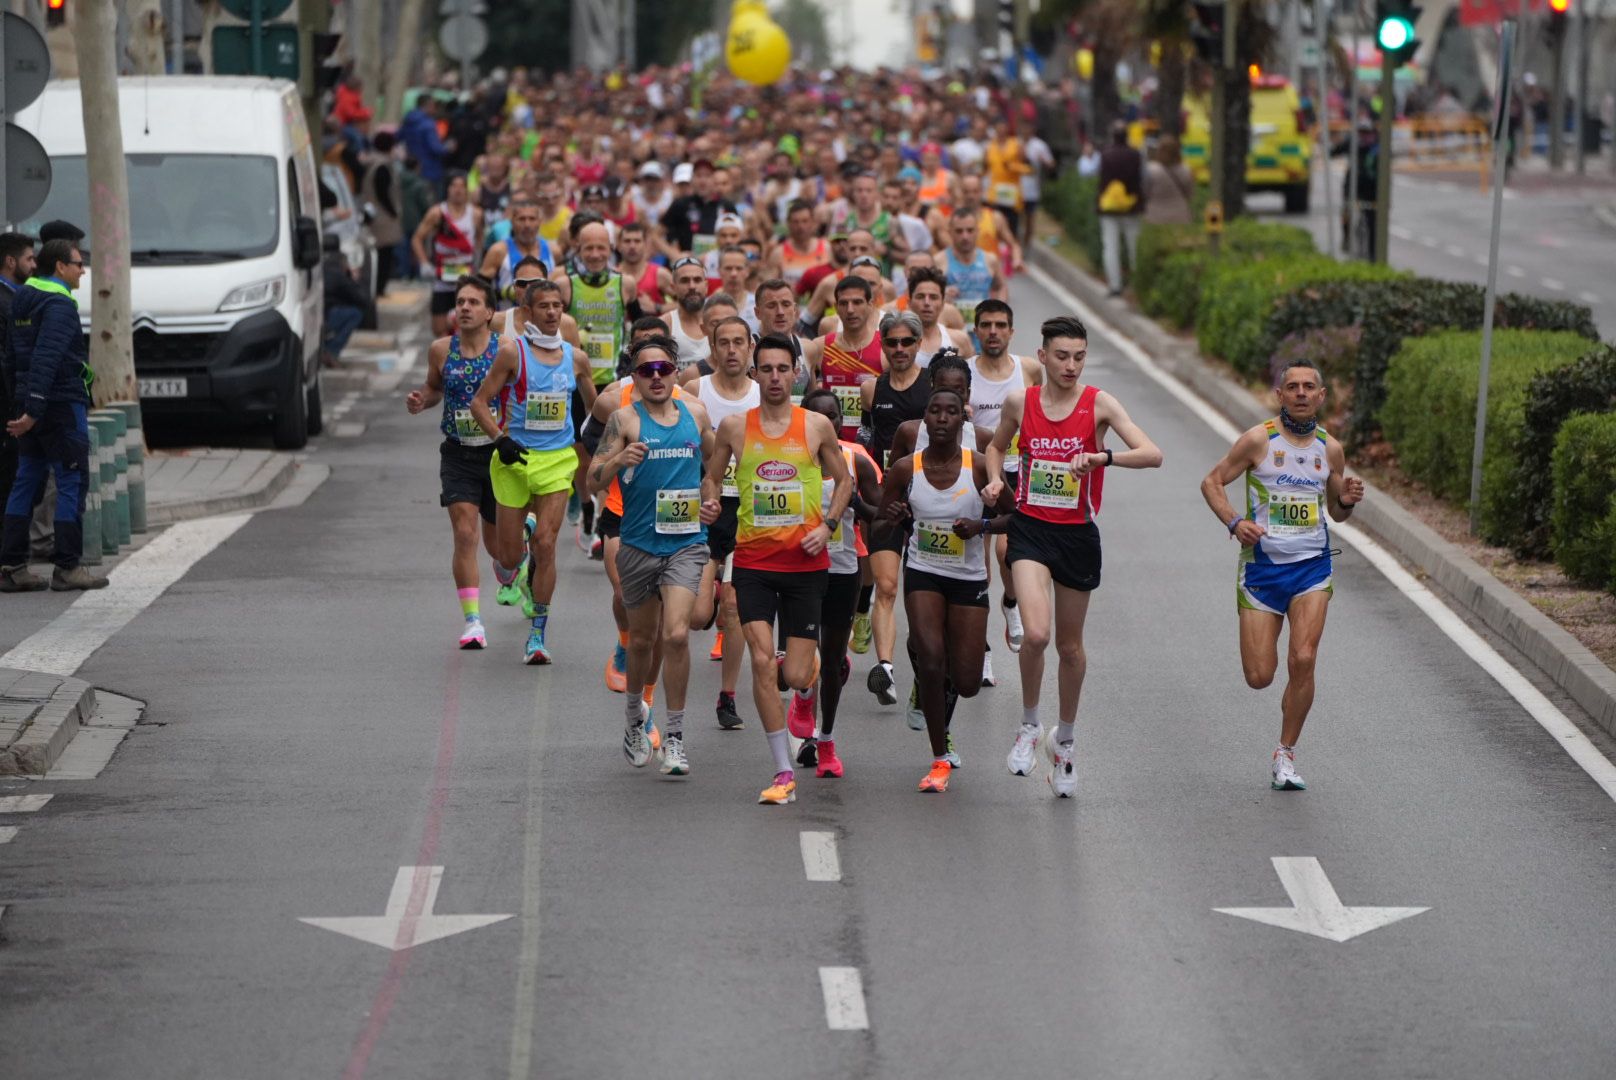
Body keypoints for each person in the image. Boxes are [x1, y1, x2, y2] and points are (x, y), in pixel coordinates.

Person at [984, 316, 1163, 797]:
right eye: (1062, 356)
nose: (1071, 365)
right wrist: (996, 478)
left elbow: (1152, 453)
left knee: (1070, 647)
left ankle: (1064, 741)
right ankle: (1028, 725)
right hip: (1030, 531)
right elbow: (995, 448)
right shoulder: (1021, 401)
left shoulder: (1098, 403)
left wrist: (1103, 458)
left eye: (1079, 356)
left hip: (1077, 535)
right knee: (1036, 634)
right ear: (1041, 356)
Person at [1198, 359, 1364, 791]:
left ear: (1322, 395)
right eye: (1293, 387)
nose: (1302, 393)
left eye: (1310, 387)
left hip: (1312, 567)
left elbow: (1336, 513)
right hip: (1262, 571)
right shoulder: (1259, 440)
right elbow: (1212, 482)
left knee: (1304, 657)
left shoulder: (1331, 449)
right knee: (1260, 677)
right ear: (1280, 394)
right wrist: (1235, 523)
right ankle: (1282, 743)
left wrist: (1346, 500)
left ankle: (1286, 753)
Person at [702, 334, 852, 805]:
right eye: (764, 369)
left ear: (795, 374)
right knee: (763, 662)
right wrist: (709, 499)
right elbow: (712, 475)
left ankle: (806, 691)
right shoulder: (733, 427)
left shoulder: (816, 427)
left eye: (781, 369)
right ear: (754, 372)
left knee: (795, 675)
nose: (773, 377)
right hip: (753, 565)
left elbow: (844, 480)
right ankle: (783, 772)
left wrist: (827, 526)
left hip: (806, 565)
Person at [590, 336, 716, 776]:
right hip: (639, 543)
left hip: (686, 543)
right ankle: (633, 715)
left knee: (677, 634)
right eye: (647, 371)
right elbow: (591, 480)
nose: (657, 377)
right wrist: (618, 460)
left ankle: (677, 739)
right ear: (636, 377)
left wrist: (712, 499)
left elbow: (712, 469)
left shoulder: (697, 414)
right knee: (642, 640)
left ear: (677, 371)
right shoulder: (623, 419)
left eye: (664, 368)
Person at [879, 375, 1010, 793]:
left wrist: (982, 524)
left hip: (968, 577)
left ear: (963, 418)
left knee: (967, 681)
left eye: (951, 412)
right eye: (935, 411)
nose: (941, 419)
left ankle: (933, 685)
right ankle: (938, 758)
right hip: (923, 571)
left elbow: (1018, 514)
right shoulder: (905, 468)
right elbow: (879, 514)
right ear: (925, 418)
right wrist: (895, 515)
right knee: (933, 659)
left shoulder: (978, 466)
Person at [468, 278, 598, 663]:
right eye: (544, 306)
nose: (553, 313)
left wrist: (604, 443)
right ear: (528, 312)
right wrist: (499, 439)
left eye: (558, 306)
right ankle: (515, 558)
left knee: (546, 543)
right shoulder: (512, 352)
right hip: (514, 461)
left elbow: (597, 411)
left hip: (557, 462)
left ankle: (537, 635)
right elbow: (479, 403)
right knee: (508, 559)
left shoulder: (576, 358)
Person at [404, 275, 508, 649]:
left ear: (489, 312)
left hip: (498, 455)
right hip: (458, 452)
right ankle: (473, 622)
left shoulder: (505, 350)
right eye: (460, 301)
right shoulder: (440, 350)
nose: (464, 307)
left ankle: (514, 566)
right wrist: (422, 400)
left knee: (500, 550)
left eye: (473, 302)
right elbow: (434, 388)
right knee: (465, 533)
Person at [0, 239, 107, 592]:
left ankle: (12, 565)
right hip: (60, 404)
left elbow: (15, 359)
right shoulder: (59, 304)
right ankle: (67, 567)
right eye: (78, 263)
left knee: (27, 478)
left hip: (32, 404)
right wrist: (33, 409)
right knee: (72, 481)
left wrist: (23, 406)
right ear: (60, 267)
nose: (82, 270)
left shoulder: (23, 299)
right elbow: (47, 358)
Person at [789, 388, 883, 778]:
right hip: (798, 570)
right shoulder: (789, 459)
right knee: (801, 658)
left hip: (843, 569)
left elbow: (880, 514)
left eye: (834, 417)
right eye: (818, 417)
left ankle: (826, 741)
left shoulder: (856, 460)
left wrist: (858, 505)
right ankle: (804, 698)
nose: (827, 424)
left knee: (831, 661)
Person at [693, 317, 760, 730]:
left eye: (739, 342)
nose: (732, 350)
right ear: (713, 349)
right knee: (701, 615)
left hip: (747, 514)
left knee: (733, 608)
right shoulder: (694, 392)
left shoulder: (763, 395)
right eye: (724, 343)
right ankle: (708, 596)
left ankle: (727, 697)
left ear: (751, 346)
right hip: (706, 510)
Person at [859, 311, 929, 705]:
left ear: (919, 344)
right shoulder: (872, 389)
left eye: (907, 342)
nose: (899, 350)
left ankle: (925, 667)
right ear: (882, 345)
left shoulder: (933, 386)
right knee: (885, 586)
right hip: (888, 499)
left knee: (919, 597)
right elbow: (868, 444)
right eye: (892, 343)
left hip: (928, 501)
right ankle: (885, 670)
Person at [967, 299, 1042, 653]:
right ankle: (979, 645)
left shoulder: (1028, 369)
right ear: (976, 329)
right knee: (976, 558)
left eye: (1000, 325)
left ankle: (1011, 602)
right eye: (986, 325)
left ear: (1011, 331)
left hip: (1018, 471)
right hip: (978, 471)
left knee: (1008, 549)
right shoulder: (966, 371)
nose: (993, 332)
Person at [554, 221, 639, 391]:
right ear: (578, 249)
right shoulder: (564, 285)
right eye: (589, 248)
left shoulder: (625, 283)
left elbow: (640, 326)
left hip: (614, 379)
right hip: (575, 378)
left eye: (601, 248)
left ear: (611, 248)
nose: (595, 255)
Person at [412, 171, 485, 337]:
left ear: (467, 190)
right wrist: (424, 263)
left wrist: (478, 265)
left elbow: (480, 240)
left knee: (468, 326)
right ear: (447, 189)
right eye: (454, 186)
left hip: (466, 278)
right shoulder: (437, 213)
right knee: (439, 329)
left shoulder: (476, 214)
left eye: (462, 186)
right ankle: (446, 360)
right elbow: (417, 238)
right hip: (442, 278)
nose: (458, 190)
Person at [0, 232, 35, 518]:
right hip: (8, 405)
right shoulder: (8, 303)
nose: (34, 265)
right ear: (11, 261)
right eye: (29, 258)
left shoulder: (16, 298)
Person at [1096, 121, 1145, 297]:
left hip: (1109, 207)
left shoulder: (1106, 155)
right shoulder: (1135, 155)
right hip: (1131, 207)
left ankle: (1115, 285)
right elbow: (1139, 182)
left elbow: (1101, 182)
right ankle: (1138, 284)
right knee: (1134, 246)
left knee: (1110, 247)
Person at [479, 198, 554, 309]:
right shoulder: (498, 251)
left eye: (532, 219)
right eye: (521, 219)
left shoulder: (553, 249)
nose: (527, 224)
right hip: (507, 321)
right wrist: (507, 293)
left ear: (539, 221)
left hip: (543, 321)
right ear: (512, 222)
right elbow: (479, 290)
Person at [360, 131, 403, 294]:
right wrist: (393, 211)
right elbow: (383, 192)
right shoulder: (382, 166)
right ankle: (379, 287)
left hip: (373, 215)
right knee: (384, 256)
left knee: (377, 255)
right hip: (383, 218)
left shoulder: (370, 163)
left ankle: (377, 287)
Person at [321, 235, 368, 367]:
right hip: (327, 315)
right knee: (355, 314)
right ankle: (331, 351)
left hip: (314, 313)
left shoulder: (316, 263)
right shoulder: (338, 270)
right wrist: (354, 279)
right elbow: (362, 299)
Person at [661, 257, 712, 371]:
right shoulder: (665, 324)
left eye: (697, 280)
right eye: (685, 280)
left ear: (706, 286)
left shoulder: (719, 322)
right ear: (673, 287)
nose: (692, 286)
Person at [399, 94, 450, 195]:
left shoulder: (408, 120)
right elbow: (436, 148)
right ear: (428, 105)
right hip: (431, 171)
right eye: (434, 105)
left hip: (412, 170)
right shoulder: (428, 125)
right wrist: (448, 148)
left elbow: (399, 137)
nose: (435, 109)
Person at [1142, 136, 1194, 226]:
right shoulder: (1185, 170)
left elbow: (1145, 192)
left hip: (1154, 216)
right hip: (1180, 215)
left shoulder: (1151, 169)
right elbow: (1189, 194)